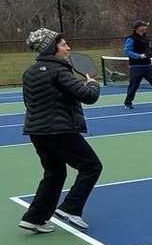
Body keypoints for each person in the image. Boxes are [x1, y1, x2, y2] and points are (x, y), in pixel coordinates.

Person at [18, 28, 103, 234]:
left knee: (54, 173)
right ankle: (70, 208)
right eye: (64, 44)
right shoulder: (59, 70)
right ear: (52, 48)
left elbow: (32, 101)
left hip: (37, 131)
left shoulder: (29, 72)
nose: (68, 48)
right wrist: (92, 84)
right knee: (91, 166)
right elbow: (88, 96)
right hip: (60, 131)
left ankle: (34, 218)